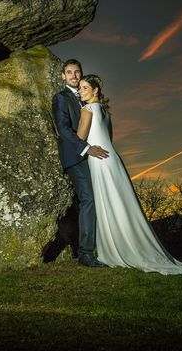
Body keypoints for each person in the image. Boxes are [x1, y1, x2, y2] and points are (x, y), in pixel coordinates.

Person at [76, 74, 182, 276]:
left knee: (107, 204)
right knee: (120, 205)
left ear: (95, 90)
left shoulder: (87, 109)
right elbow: (108, 138)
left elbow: (79, 138)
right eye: (80, 88)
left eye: (84, 88)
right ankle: (127, 244)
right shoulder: (105, 112)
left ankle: (114, 248)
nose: (80, 91)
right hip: (112, 160)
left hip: (99, 161)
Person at [52, 59, 110, 268]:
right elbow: (63, 129)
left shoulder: (86, 98)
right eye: (69, 72)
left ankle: (102, 247)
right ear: (63, 76)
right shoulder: (60, 98)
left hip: (92, 157)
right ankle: (86, 254)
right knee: (89, 199)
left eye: (77, 72)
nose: (74, 76)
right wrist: (86, 148)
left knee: (96, 199)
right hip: (75, 157)